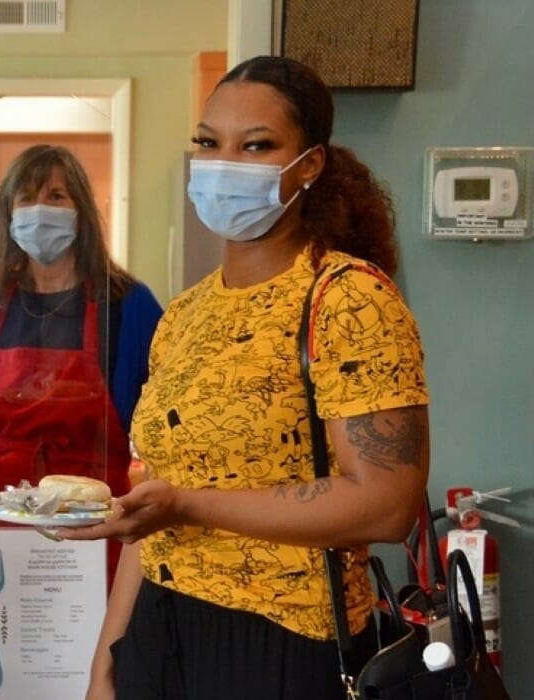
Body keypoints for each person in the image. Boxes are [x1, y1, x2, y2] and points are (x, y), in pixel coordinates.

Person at [60, 56, 431, 700]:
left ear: (308, 165)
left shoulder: (345, 298)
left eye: (256, 145)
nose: (223, 162)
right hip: (159, 623)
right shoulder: (184, 314)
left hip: (279, 642)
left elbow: (389, 503)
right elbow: (157, 502)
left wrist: (190, 504)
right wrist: (107, 658)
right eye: (209, 143)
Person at [0, 144, 163, 631]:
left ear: (81, 210)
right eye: (25, 198)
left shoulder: (128, 305)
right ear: (7, 214)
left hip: (87, 524)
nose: (39, 210)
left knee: (85, 659)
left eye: (56, 195)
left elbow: (167, 430)